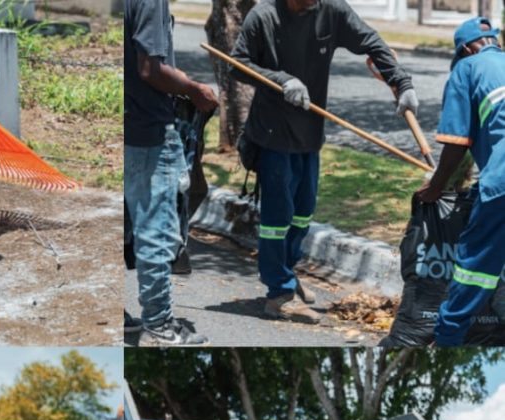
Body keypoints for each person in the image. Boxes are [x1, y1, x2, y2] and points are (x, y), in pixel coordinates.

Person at [232, 0, 417, 324]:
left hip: (309, 135)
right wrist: (280, 81)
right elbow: (237, 64)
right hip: (273, 135)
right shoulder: (263, 16)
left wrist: (401, 82)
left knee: (302, 214)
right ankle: (278, 295)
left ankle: (286, 273)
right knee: (278, 219)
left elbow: (370, 41)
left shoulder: (331, 11)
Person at [125, 0, 217, 345]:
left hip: (125, 124)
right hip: (149, 130)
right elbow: (151, 69)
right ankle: (160, 323)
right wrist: (194, 89)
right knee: (156, 230)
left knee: (125, 223)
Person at [416, 18, 505, 346]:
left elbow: (456, 142)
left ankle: (447, 337)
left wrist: (437, 186)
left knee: (475, 263)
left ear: (466, 49)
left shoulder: (466, 69)